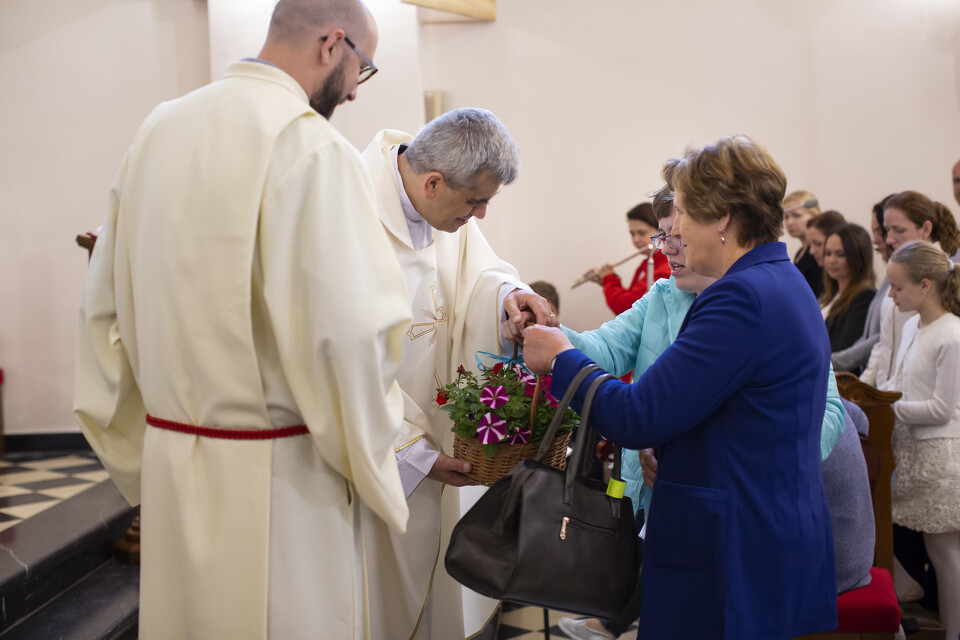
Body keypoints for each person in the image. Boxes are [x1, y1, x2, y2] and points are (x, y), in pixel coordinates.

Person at [73, 2, 413, 638]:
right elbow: (348, 337)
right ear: (332, 43)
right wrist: (375, 447)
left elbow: (102, 310)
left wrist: (147, 453)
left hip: (173, 467)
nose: (354, 92)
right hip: (285, 484)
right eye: (361, 69)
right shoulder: (312, 147)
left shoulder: (158, 130)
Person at [523, 135, 837, 639]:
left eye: (684, 214)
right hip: (765, 529)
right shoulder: (783, 279)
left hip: (733, 542)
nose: (676, 234)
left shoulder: (741, 298)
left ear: (723, 217)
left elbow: (636, 416)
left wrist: (561, 361)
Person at [358, 109, 556, 639]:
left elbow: (479, 278)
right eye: (475, 202)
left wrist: (510, 297)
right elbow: (337, 360)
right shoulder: (347, 210)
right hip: (379, 453)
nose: (481, 214)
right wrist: (413, 455)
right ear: (432, 183)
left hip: (446, 439)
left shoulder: (448, 209)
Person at [885, 241, 960, 638]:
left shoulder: (951, 334)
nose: (891, 295)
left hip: (941, 456)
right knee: (932, 549)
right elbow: (897, 383)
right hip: (913, 452)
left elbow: (941, 409)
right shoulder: (915, 326)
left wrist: (891, 408)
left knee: (945, 553)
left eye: (898, 287)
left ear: (926, 285)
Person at [862, 190, 960, 390]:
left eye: (898, 230)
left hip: (916, 394)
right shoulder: (898, 267)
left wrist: (890, 400)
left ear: (926, 229)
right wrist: (864, 388)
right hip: (889, 391)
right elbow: (885, 342)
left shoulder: (938, 277)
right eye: (887, 230)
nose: (889, 239)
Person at [832, 196, 895, 373]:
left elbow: (880, 339)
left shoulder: (865, 294)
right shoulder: (888, 278)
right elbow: (870, 338)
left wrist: (830, 362)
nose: (876, 239)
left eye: (880, 231)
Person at [584, 203, 672, 315]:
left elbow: (628, 309)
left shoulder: (666, 269)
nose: (635, 240)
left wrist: (610, 280)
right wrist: (606, 282)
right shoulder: (647, 262)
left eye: (641, 233)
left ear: (662, 232)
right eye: (632, 234)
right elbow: (633, 298)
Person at [821, 223, 877, 352]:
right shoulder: (830, 295)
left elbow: (844, 348)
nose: (831, 260)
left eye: (840, 254)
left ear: (857, 257)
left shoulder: (865, 297)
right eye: (828, 253)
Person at [784, 189, 824, 296]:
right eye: (786, 217)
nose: (789, 222)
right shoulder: (800, 253)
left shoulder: (820, 253)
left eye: (796, 215)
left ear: (814, 216)